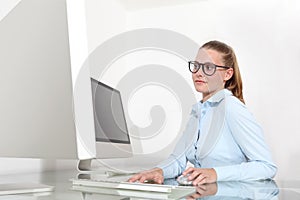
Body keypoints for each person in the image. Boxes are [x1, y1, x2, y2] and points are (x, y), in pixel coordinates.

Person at [128, 40, 277, 186]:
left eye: (208, 67)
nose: (199, 73)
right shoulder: (198, 111)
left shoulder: (231, 107)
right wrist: (158, 171)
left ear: (227, 74)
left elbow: (266, 166)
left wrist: (215, 173)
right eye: (196, 66)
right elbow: (178, 160)